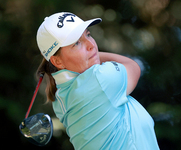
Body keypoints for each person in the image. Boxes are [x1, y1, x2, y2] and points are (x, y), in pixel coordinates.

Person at [36, 12, 160, 150]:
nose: (91, 44)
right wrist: (94, 54)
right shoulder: (99, 79)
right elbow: (133, 67)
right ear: (57, 61)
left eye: (88, 35)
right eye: (76, 43)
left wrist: (88, 55)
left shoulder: (61, 97)